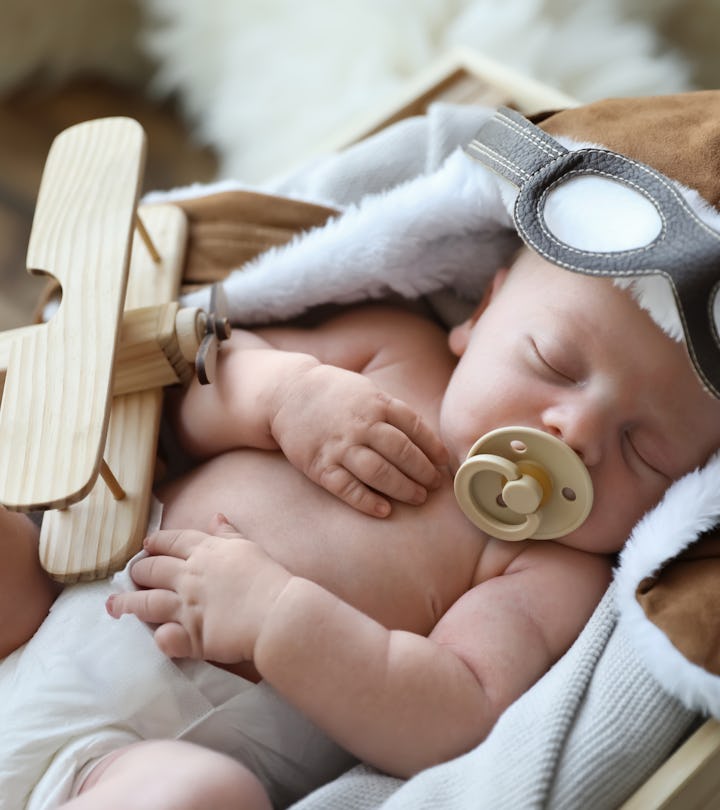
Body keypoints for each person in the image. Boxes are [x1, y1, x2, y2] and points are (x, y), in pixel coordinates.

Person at [3, 242, 720, 810]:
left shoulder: (547, 571)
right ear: (484, 310)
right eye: (554, 363)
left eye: (643, 450)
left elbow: (455, 713)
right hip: (54, 592)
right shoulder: (394, 350)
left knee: (206, 799)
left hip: (128, 767)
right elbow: (184, 396)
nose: (577, 431)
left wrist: (275, 618)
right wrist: (285, 394)